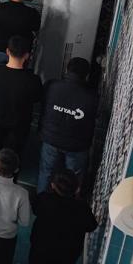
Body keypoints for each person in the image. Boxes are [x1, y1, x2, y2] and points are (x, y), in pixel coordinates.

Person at [37, 57, 98, 193]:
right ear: (86, 75)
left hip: (50, 138)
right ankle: (70, 202)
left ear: (67, 69)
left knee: (45, 172)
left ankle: (40, 200)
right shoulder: (92, 97)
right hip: (77, 146)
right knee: (73, 181)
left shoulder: (51, 86)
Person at [0, 35, 43, 166]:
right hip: (19, 125)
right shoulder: (33, 80)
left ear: (7, 51)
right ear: (27, 55)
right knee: (12, 157)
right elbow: (37, 98)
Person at [30, 169, 97, 264]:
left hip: (41, 248)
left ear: (53, 185)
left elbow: (35, 210)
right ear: (77, 189)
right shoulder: (82, 208)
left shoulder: (44, 199)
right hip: (67, 254)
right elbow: (92, 226)